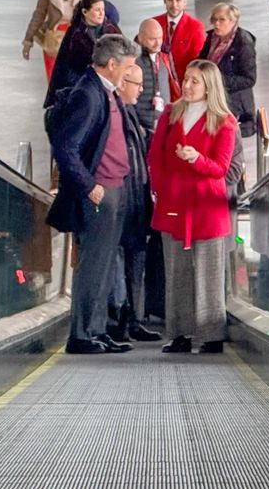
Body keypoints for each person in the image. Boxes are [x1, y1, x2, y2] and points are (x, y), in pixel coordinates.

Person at [46, 33, 142, 355]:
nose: (130, 73)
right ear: (112, 64)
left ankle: (98, 330)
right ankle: (82, 335)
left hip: (115, 187)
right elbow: (66, 147)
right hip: (100, 193)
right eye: (128, 66)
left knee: (103, 267)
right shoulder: (88, 94)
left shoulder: (107, 92)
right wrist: (90, 187)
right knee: (92, 267)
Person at [148, 60, 237, 354]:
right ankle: (180, 333)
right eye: (186, 79)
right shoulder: (171, 115)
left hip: (206, 208)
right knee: (177, 271)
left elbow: (221, 168)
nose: (187, 86)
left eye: (195, 81)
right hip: (174, 204)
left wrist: (196, 158)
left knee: (210, 271)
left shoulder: (224, 121)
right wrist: (161, 190)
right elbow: (156, 157)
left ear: (209, 87)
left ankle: (212, 334)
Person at [107, 63, 163, 342]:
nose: (142, 91)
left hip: (138, 201)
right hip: (122, 201)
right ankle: (117, 319)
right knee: (119, 264)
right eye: (137, 84)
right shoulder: (112, 109)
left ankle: (133, 319)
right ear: (122, 82)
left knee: (135, 264)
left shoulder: (128, 111)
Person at [23, 0, 95, 79]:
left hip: (76, 41)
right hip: (53, 42)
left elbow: (92, 15)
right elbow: (39, 14)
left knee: (74, 82)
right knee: (55, 82)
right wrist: (28, 41)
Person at [44, 0, 121, 109]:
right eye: (97, 10)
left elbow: (124, 50)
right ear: (85, 12)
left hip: (106, 85)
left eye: (103, 10)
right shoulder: (75, 35)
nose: (101, 13)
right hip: (79, 88)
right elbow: (76, 68)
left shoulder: (111, 27)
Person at [199, 3, 258, 137]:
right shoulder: (210, 38)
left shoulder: (243, 43)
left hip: (234, 104)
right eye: (214, 19)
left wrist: (217, 81)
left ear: (233, 21)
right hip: (212, 100)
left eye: (222, 20)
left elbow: (249, 79)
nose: (216, 24)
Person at [133, 18, 178, 136]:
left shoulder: (165, 57)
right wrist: (134, 124)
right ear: (141, 37)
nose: (158, 43)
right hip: (141, 127)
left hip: (163, 123)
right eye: (152, 39)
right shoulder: (132, 60)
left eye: (160, 38)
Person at [153, 0, 205, 80]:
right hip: (158, 79)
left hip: (183, 81)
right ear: (164, 1)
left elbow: (198, 59)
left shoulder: (195, 26)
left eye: (178, 0)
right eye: (170, 0)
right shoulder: (154, 23)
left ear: (185, 2)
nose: (174, 5)